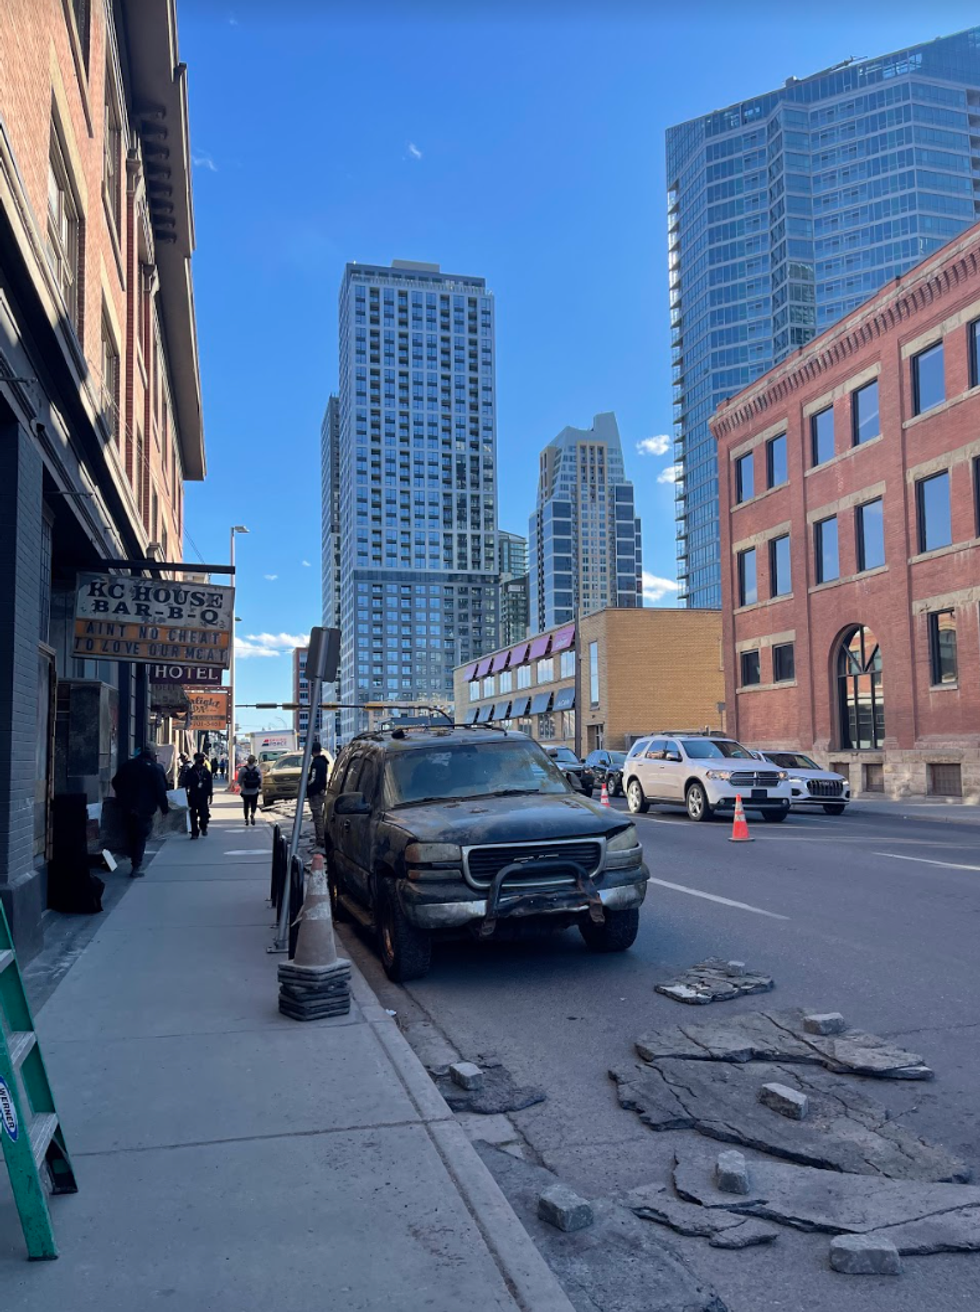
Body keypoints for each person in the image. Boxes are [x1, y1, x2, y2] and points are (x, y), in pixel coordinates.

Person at [111, 745, 170, 876]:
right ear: (153, 756)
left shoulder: (127, 765)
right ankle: (136, 865)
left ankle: (131, 858)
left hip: (127, 807)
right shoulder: (156, 769)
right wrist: (164, 808)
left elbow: (115, 781)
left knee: (129, 833)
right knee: (140, 836)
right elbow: (161, 790)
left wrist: (122, 796)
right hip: (145, 808)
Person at [184, 752, 213, 838]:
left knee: (204, 813)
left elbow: (209, 784)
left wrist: (210, 795)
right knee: (192, 814)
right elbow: (185, 783)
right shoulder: (190, 772)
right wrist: (184, 793)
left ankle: (203, 827)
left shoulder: (206, 772)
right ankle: (194, 832)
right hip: (193, 795)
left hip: (203, 796)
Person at [307, 743, 328, 849]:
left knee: (317, 816)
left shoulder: (316, 763)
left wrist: (306, 785)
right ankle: (320, 837)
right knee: (319, 815)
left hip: (315, 792)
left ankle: (321, 838)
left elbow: (313, 779)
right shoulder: (324, 762)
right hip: (321, 791)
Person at [237, 754, 261, 825]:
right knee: (254, 804)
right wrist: (259, 786)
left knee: (246, 805)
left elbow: (239, 780)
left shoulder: (243, 769)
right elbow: (260, 780)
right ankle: (252, 814)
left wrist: (241, 786)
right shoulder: (257, 769)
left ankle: (246, 819)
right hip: (254, 790)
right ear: (254, 761)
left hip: (245, 791)